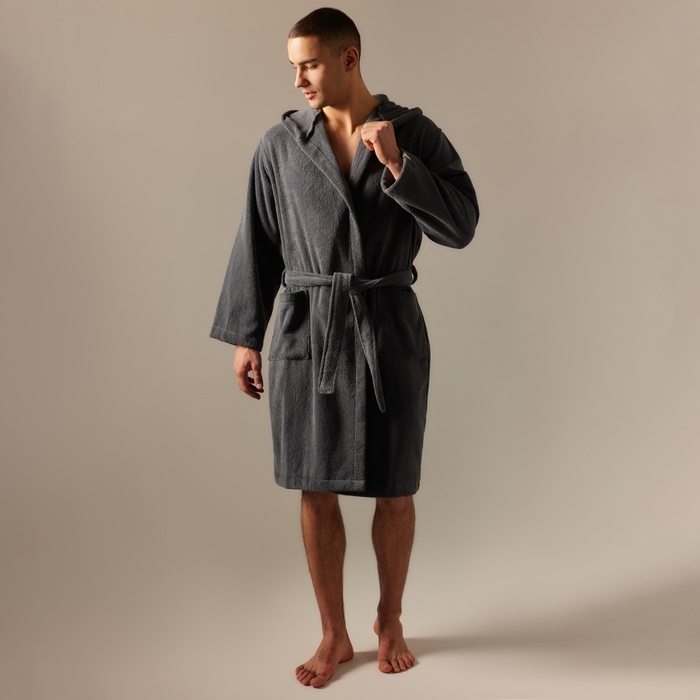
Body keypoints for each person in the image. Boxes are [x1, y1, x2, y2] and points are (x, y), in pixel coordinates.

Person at [211, 7, 478, 688]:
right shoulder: (280, 144)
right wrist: (246, 335)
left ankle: (390, 618)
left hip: (387, 325)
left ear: (349, 58)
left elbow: (461, 225)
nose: (298, 79)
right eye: (293, 67)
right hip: (308, 330)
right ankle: (334, 631)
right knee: (315, 484)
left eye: (309, 64)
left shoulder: (413, 133)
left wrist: (399, 166)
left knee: (396, 487)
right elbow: (256, 239)